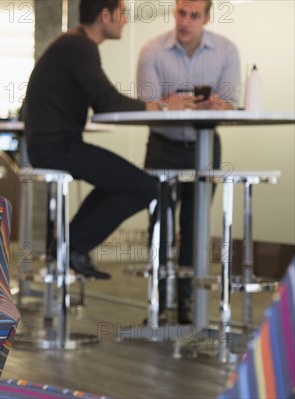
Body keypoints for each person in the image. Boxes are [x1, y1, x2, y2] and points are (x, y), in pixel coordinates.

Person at [23, 0, 190, 280]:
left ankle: (70, 247)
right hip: (58, 149)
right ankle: (70, 247)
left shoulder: (73, 44)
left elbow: (103, 103)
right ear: (104, 15)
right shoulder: (78, 46)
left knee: (129, 182)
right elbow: (109, 102)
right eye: (122, 14)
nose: (125, 21)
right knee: (146, 186)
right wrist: (163, 105)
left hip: (56, 146)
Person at [137, 0, 240, 324]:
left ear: (207, 17)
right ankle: (157, 305)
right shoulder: (152, 51)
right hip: (162, 146)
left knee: (195, 228)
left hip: (204, 145)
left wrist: (215, 105)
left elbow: (230, 104)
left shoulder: (226, 51)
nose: (186, 20)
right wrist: (168, 103)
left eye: (194, 14)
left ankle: (187, 305)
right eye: (182, 11)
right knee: (160, 226)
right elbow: (144, 104)